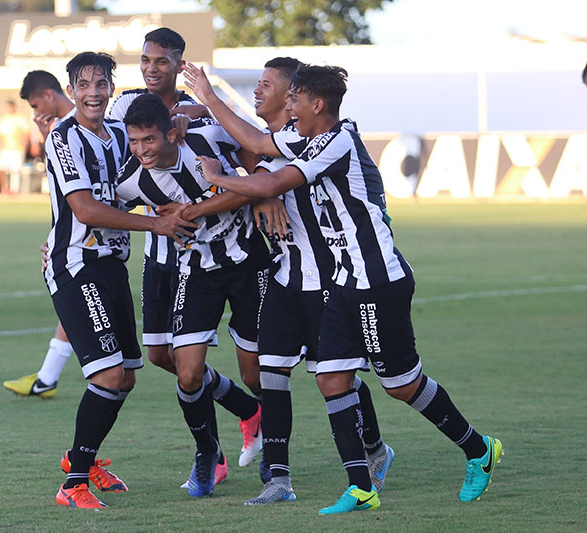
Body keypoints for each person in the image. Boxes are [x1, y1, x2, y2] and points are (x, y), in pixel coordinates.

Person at [194, 63, 503, 515]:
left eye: (296, 99)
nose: (290, 107)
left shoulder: (335, 142)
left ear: (317, 104)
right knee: (332, 377)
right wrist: (207, 98)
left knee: (401, 384)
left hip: (377, 281)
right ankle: (361, 487)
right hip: (344, 281)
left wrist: (218, 177)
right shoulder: (309, 136)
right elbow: (259, 144)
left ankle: (479, 449)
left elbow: (275, 179)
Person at [179, 57, 393, 506]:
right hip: (283, 276)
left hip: (332, 280)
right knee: (269, 372)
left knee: (339, 377)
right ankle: (278, 478)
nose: (258, 91)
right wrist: (207, 107)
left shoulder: (322, 142)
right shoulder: (287, 139)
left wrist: (254, 187)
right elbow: (255, 147)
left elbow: (270, 173)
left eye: (268, 85)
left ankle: (374, 450)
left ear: (296, 95)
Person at [110, 28, 264, 482]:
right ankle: (234, 420)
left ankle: (252, 441)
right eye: (145, 60)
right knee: (163, 357)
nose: (151, 67)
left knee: (250, 365)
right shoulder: (126, 108)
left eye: (161, 60)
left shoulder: (202, 128)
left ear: (179, 63)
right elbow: (100, 202)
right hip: (164, 255)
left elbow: (250, 153)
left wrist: (265, 192)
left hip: (217, 255)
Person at [45, 52, 195, 509]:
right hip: (76, 264)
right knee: (109, 373)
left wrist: (185, 121)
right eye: (84, 84)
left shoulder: (118, 134)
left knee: (127, 375)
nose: (94, 92)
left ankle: (81, 459)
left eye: (101, 84)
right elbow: (86, 210)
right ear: (71, 91)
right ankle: (72, 484)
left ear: (113, 88)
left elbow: (128, 191)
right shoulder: (64, 137)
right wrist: (158, 224)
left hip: (111, 264)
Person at [3, 70, 78, 400]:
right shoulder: (60, 130)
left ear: (50, 95)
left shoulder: (80, 126)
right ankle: (48, 376)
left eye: (35, 105)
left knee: (74, 297)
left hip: (84, 235)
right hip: (70, 231)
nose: (34, 114)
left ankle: (50, 378)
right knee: (73, 299)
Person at [0, 100, 30, 194]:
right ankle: (4, 187)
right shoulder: (4, 119)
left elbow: (26, 133)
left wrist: (23, 146)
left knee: (15, 170)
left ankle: (14, 190)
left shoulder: (20, 118)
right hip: (6, 148)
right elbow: (1, 134)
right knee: (0, 168)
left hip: (17, 148)